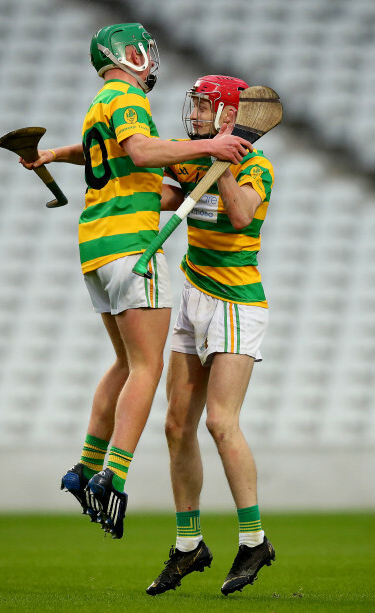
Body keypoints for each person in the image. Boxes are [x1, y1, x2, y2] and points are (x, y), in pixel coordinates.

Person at [19, 26, 252, 540]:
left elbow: (103, 152)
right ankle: (112, 476)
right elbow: (142, 152)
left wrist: (55, 155)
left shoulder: (101, 101)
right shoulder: (126, 96)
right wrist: (207, 144)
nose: (150, 57)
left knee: (125, 362)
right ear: (130, 54)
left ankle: (85, 465)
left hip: (95, 248)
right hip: (133, 245)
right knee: (147, 366)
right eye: (143, 50)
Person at [146, 75, 275, 596]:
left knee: (222, 422)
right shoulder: (187, 152)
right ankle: (188, 546)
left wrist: (221, 163)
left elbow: (241, 215)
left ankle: (254, 540)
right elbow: (160, 183)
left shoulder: (256, 166)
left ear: (227, 115)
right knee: (177, 426)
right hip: (193, 294)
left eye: (203, 107)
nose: (193, 114)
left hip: (237, 303)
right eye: (194, 105)